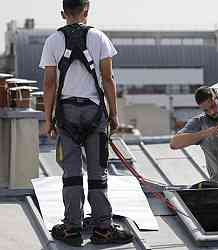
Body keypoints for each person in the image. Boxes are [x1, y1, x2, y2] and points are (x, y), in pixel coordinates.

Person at [40, 0, 133, 246]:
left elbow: (49, 84)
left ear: (63, 13)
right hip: (94, 112)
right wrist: (114, 114)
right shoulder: (99, 38)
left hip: (66, 113)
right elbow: (108, 79)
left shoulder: (52, 41)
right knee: (97, 172)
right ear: (86, 11)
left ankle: (71, 228)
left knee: (71, 173)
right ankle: (103, 228)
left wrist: (47, 120)